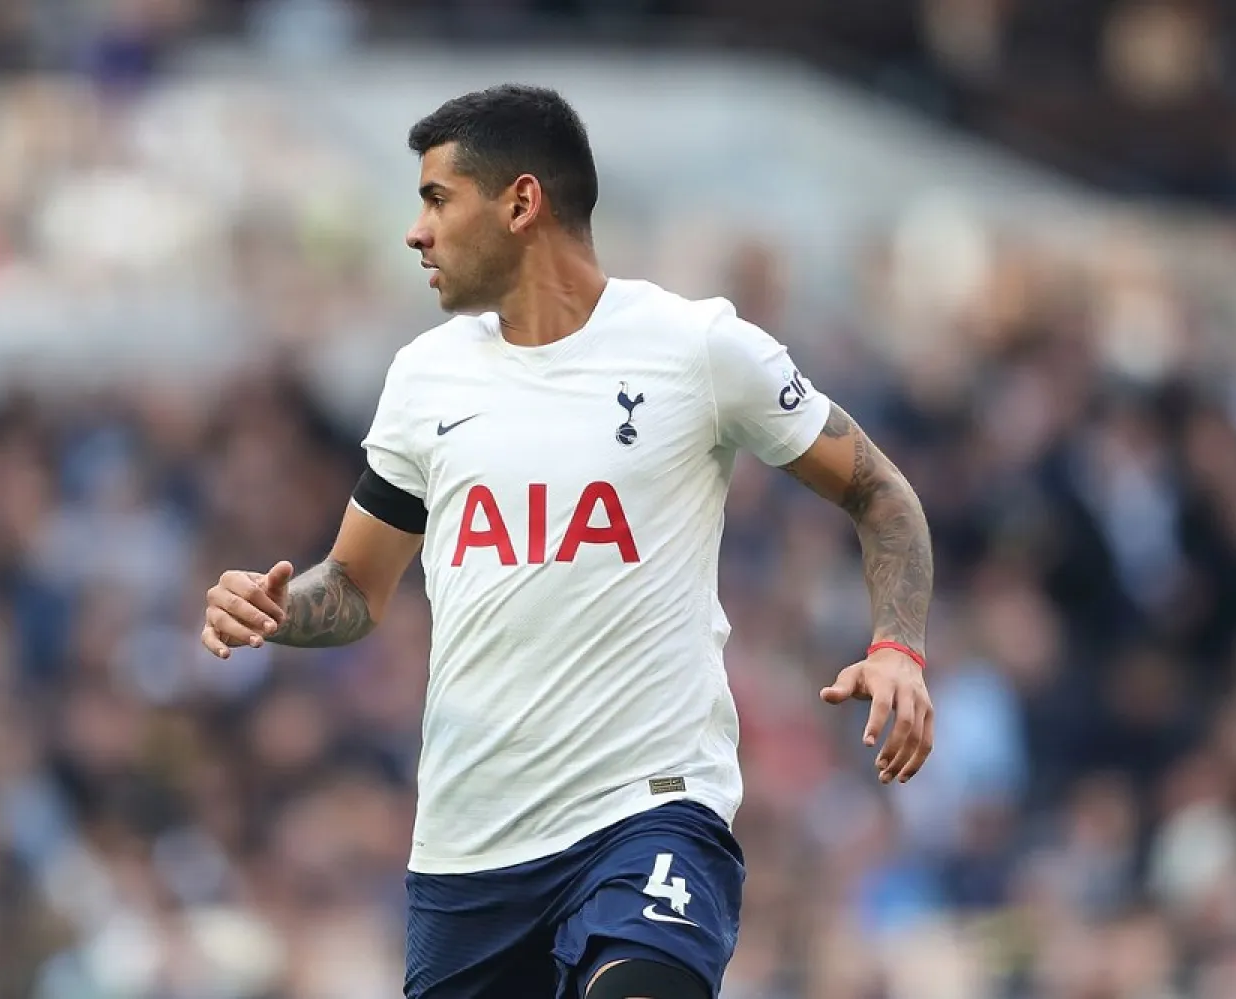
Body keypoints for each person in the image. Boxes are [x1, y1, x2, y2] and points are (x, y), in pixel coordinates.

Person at [201, 85, 935, 999]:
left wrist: (897, 646)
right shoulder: (425, 378)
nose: (415, 233)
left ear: (519, 202)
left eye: (436, 199)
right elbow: (356, 586)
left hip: (651, 814)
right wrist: (278, 608)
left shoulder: (695, 347)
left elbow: (879, 491)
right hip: (471, 847)